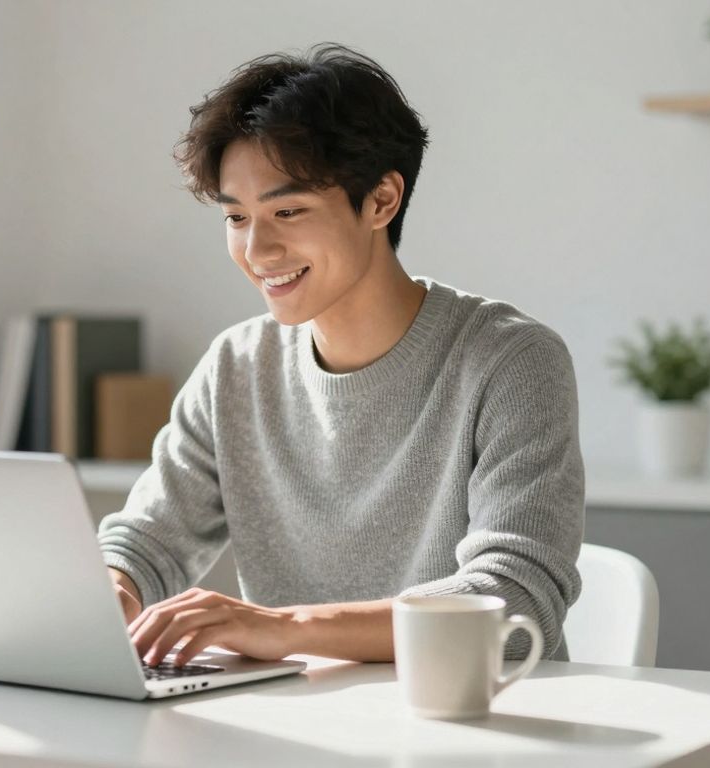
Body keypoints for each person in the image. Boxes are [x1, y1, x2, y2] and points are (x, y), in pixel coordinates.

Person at [97, 42, 584, 669]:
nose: (257, 249)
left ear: (381, 200)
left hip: (479, 727)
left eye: (288, 210)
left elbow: (513, 604)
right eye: (236, 217)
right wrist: (112, 594)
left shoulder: (511, 361)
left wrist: (285, 627)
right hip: (300, 728)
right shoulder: (235, 368)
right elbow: (146, 544)